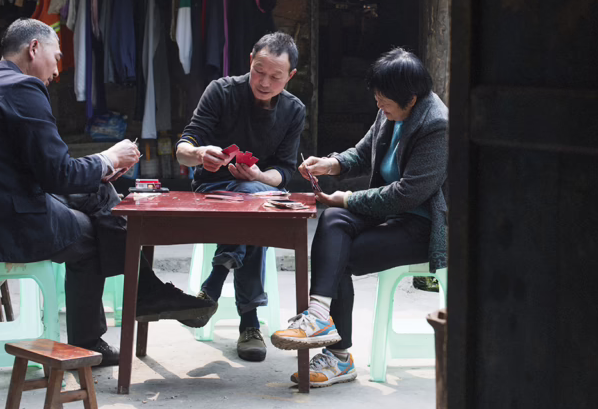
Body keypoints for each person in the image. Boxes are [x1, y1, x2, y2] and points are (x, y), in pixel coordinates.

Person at [0, 19, 217, 366]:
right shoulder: (23, 89)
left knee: (98, 194)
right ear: (33, 49)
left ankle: (146, 291)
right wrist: (108, 158)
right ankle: (97, 334)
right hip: (8, 221)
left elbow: (42, 167)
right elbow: (58, 174)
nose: (58, 71)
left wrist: (103, 169)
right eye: (57, 58)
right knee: (92, 237)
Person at [270, 48, 448, 387]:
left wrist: (348, 197)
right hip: (389, 215)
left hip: (421, 226)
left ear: (411, 98)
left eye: (385, 102)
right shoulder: (390, 109)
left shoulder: (436, 125)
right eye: (377, 99)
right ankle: (320, 314)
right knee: (333, 220)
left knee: (337, 255)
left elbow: (407, 194)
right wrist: (331, 163)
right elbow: (364, 151)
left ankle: (338, 356)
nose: (379, 107)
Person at [175, 32, 306, 362]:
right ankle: (249, 322)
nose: (264, 82)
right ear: (250, 60)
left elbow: (285, 171)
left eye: (275, 77)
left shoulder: (293, 110)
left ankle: (213, 286)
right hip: (213, 192)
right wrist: (199, 153)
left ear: (290, 76)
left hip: (260, 194)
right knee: (257, 205)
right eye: (259, 71)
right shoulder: (221, 92)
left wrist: (259, 177)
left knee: (256, 199)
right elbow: (183, 148)